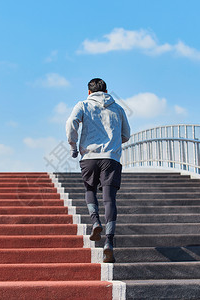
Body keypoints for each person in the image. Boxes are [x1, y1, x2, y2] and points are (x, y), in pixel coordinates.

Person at [66, 78, 131, 263]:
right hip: (111, 158)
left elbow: (71, 122)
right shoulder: (117, 108)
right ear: (106, 91)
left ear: (89, 92)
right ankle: (109, 242)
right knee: (110, 199)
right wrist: (112, 142)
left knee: (90, 190)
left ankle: (95, 222)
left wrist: (73, 145)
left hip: (89, 157)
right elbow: (126, 135)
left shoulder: (83, 105)